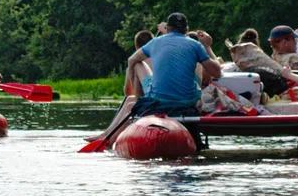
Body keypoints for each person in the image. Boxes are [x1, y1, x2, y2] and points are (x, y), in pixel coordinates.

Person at [94, 13, 222, 140]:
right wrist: (207, 46)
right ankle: (136, 106)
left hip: (159, 100)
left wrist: (134, 85)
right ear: (186, 30)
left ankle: (140, 102)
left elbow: (131, 60)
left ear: (168, 29)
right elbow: (217, 73)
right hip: (187, 101)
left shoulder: (155, 42)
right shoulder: (196, 45)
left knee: (137, 63)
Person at [124, 30, 154, 98]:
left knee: (128, 99)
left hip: (147, 98)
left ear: (136, 47)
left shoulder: (133, 64)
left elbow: (128, 93)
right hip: (160, 94)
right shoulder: (158, 60)